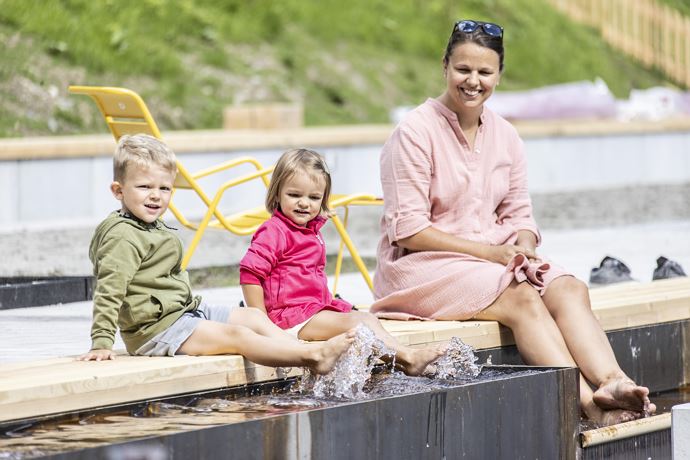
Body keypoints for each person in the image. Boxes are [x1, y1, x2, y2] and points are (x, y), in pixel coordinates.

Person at [370, 20, 655, 425]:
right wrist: (493, 253)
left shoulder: (505, 135)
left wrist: (524, 242)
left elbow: (520, 212)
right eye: (463, 69)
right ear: (444, 65)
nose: (473, 81)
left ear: (499, 74)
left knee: (569, 287)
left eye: (484, 72)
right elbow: (410, 231)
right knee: (522, 296)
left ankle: (613, 382)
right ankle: (587, 405)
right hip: (420, 266)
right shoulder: (415, 132)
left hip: (489, 261)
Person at [78, 134, 354, 375]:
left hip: (184, 313)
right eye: (144, 187)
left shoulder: (149, 226)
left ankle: (293, 349)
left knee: (255, 318)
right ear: (118, 190)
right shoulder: (122, 236)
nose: (156, 196)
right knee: (239, 335)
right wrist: (102, 342)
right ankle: (313, 357)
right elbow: (110, 289)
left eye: (164, 188)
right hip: (156, 331)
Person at [239, 148, 444, 376]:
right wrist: (261, 322)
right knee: (360, 322)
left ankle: (401, 363)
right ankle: (408, 358)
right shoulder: (274, 231)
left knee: (362, 326)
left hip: (309, 310)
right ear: (277, 194)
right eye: (295, 195)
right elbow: (250, 273)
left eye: (314, 197)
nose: (304, 203)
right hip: (288, 317)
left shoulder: (308, 231)